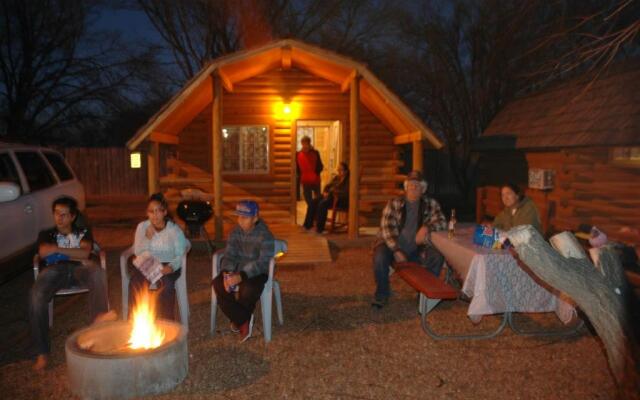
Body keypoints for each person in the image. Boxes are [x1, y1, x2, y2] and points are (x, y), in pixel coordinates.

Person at [29, 196, 114, 371]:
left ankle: (99, 330)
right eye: (56, 213)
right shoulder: (47, 234)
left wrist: (57, 250)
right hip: (54, 271)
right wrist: (72, 252)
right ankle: (42, 352)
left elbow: (85, 254)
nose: (59, 218)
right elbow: (43, 252)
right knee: (35, 296)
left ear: (73, 217)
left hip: (80, 268)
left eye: (64, 214)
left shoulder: (83, 232)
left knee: (97, 272)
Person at [371, 171, 447, 309]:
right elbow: (386, 228)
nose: (413, 187)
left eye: (417, 185)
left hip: (418, 249)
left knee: (437, 256)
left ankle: (425, 295)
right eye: (410, 184)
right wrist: (396, 250)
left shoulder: (431, 204)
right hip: (392, 245)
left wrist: (426, 227)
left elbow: (442, 222)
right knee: (379, 257)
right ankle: (382, 293)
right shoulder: (394, 203)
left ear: (423, 189)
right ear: (406, 187)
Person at [212, 200, 275, 342]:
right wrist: (226, 273)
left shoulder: (265, 235)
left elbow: (263, 262)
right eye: (239, 217)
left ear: (255, 218)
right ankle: (242, 319)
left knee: (248, 290)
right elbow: (229, 255)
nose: (240, 221)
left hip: (257, 273)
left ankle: (238, 319)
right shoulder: (235, 233)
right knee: (218, 284)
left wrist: (242, 275)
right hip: (236, 271)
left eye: (245, 217)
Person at [129, 193, 189, 321]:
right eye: (151, 211)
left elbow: (180, 253)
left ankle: (167, 321)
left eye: (158, 211)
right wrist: (147, 238)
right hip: (148, 262)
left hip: (169, 263)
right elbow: (138, 251)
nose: (155, 215)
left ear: (165, 212)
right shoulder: (142, 227)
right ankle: (137, 320)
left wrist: (171, 267)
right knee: (135, 282)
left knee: (166, 284)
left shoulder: (173, 229)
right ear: (147, 213)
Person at [296, 136, 323, 230]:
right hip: (305, 181)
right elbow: (297, 168)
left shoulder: (315, 153)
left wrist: (315, 173)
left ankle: (311, 223)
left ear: (309, 143)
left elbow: (320, 166)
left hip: (316, 180)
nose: (305, 145)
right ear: (301, 143)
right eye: (303, 143)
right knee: (310, 202)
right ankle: (311, 222)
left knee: (318, 200)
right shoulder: (298, 154)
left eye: (306, 143)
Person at [314, 162, 350, 233]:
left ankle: (319, 228)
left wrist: (332, 192)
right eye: (338, 170)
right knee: (316, 201)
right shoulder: (337, 178)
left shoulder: (348, 180)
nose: (339, 171)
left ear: (346, 171)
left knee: (322, 204)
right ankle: (316, 225)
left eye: (341, 170)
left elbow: (345, 192)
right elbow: (328, 186)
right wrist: (326, 192)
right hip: (332, 198)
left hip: (340, 200)